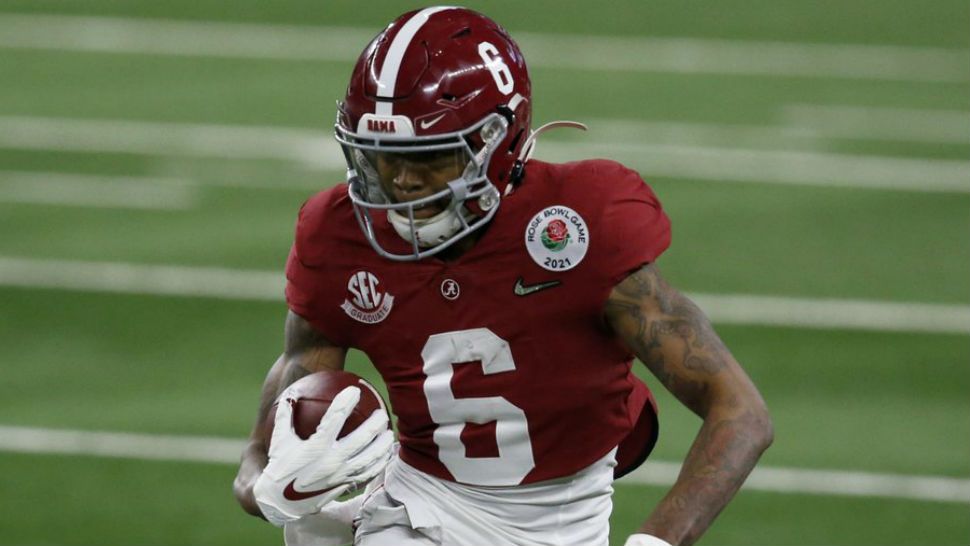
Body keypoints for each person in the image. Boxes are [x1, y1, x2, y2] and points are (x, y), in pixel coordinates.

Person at [233, 7, 773, 546]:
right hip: (418, 505)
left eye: (430, 156)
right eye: (382, 157)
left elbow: (741, 414)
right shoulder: (338, 235)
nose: (401, 182)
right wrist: (265, 490)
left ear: (498, 144)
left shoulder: (580, 224)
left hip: (564, 521)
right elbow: (266, 441)